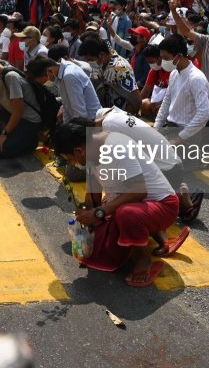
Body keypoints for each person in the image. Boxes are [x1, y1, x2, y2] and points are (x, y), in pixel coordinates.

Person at [50, 121, 184, 286]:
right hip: (138, 204)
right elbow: (93, 195)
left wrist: (99, 213)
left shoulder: (116, 147)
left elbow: (139, 191)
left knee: (125, 214)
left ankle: (143, 260)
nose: (71, 163)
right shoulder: (91, 152)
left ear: (78, 151)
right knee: (97, 249)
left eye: (69, 159)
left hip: (163, 205)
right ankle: (153, 235)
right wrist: (87, 215)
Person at [153, 34, 209, 139]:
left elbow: (204, 114)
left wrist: (181, 137)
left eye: (166, 58)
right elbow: (167, 101)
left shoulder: (196, 78)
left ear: (179, 56)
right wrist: (156, 128)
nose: (162, 62)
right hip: (172, 128)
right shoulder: (174, 74)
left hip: (189, 135)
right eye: (161, 57)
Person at [77, 36, 141, 114]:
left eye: (90, 59)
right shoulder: (107, 59)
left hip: (120, 115)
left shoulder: (120, 68)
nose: (89, 62)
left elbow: (136, 101)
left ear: (102, 55)